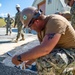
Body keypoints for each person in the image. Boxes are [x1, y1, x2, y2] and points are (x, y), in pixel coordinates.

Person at [12, 7, 75, 75]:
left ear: (36, 22)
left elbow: (45, 49)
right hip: (65, 54)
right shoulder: (41, 31)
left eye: (29, 27)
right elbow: (40, 52)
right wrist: (29, 62)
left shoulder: (55, 21)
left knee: (44, 60)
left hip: (72, 52)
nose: (31, 29)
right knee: (43, 56)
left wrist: (19, 58)